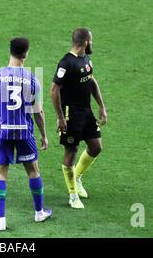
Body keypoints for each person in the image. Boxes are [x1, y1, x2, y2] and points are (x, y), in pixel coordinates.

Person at [0, 37, 52, 231]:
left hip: (3, 132)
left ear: (10, 51)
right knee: (33, 171)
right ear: (25, 54)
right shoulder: (32, 80)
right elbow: (38, 112)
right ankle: (39, 213)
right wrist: (44, 135)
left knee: (0, 174)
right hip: (24, 132)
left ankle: (1, 220)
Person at [50, 28, 108, 209]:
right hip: (70, 113)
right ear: (85, 42)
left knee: (96, 146)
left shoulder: (85, 59)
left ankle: (77, 177)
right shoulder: (66, 63)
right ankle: (73, 195)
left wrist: (101, 106)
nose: (92, 43)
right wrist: (60, 117)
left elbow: (91, 80)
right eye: (91, 40)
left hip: (86, 111)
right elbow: (54, 90)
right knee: (71, 151)